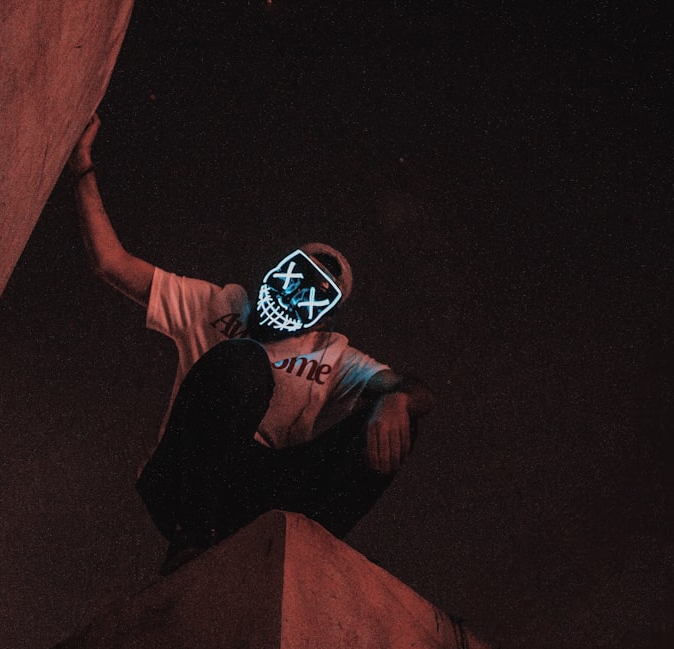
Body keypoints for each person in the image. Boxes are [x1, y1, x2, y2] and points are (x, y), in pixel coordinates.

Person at [70, 114, 435, 575]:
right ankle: (191, 543)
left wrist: (395, 397)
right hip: (184, 478)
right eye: (293, 274)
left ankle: (308, 554)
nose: (293, 293)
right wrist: (81, 167)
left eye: (314, 293)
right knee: (245, 358)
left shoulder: (331, 352)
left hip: (259, 490)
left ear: (325, 315)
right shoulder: (218, 304)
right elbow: (111, 262)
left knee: (395, 424)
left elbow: (420, 391)